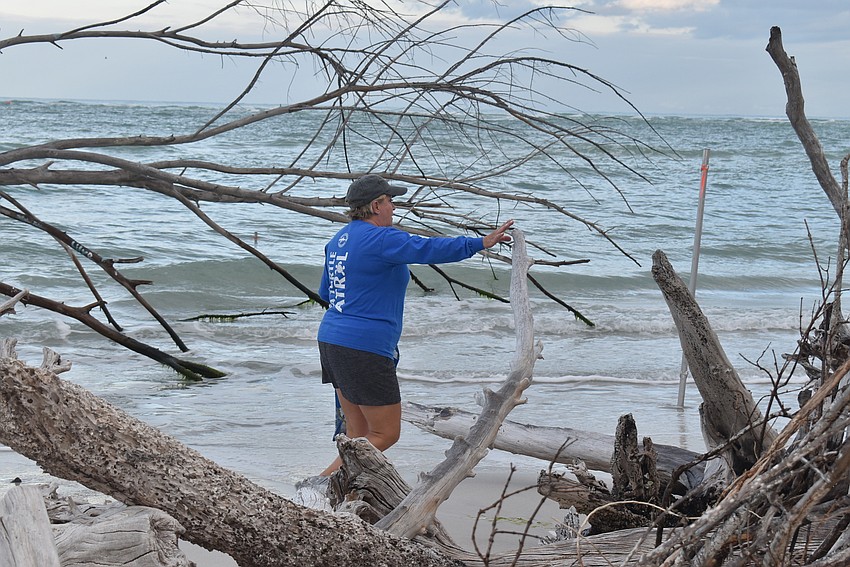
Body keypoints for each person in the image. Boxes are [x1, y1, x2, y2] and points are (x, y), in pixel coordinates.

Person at [317, 173, 513, 476]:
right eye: (390, 201)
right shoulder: (383, 238)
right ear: (376, 205)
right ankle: (318, 484)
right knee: (384, 434)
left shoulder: (338, 240)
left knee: (358, 433)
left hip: (332, 340)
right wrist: (480, 243)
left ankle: (346, 497)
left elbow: (327, 293)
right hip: (364, 347)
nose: (394, 207)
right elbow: (429, 249)